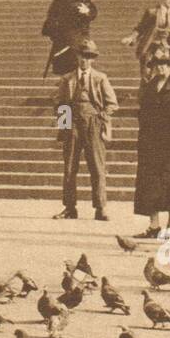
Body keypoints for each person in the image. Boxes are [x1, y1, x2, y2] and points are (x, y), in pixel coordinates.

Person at [53, 39, 118, 221]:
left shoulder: (100, 78)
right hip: (72, 123)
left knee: (97, 167)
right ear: (77, 57)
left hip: (93, 124)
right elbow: (59, 102)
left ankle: (100, 208)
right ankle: (69, 208)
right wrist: (65, 127)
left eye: (88, 57)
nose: (84, 60)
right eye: (82, 56)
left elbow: (112, 103)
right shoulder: (67, 79)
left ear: (93, 59)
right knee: (69, 167)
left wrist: (102, 118)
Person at [133, 48, 170, 238]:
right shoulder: (149, 86)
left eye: (165, 64)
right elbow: (142, 111)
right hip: (151, 142)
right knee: (150, 184)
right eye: (157, 64)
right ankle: (154, 226)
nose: (161, 68)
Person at [42, 0, 97, 73]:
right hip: (62, 37)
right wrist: (54, 28)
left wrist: (88, 12)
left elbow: (93, 11)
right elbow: (52, 14)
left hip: (79, 37)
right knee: (63, 66)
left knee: (78, 64)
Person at [124, 0, 170, 78]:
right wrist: (131, 38)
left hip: (165, 48)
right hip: (151, 47)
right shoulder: (152, 13)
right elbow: (140, 28)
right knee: (148, 73)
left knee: (168, 72)